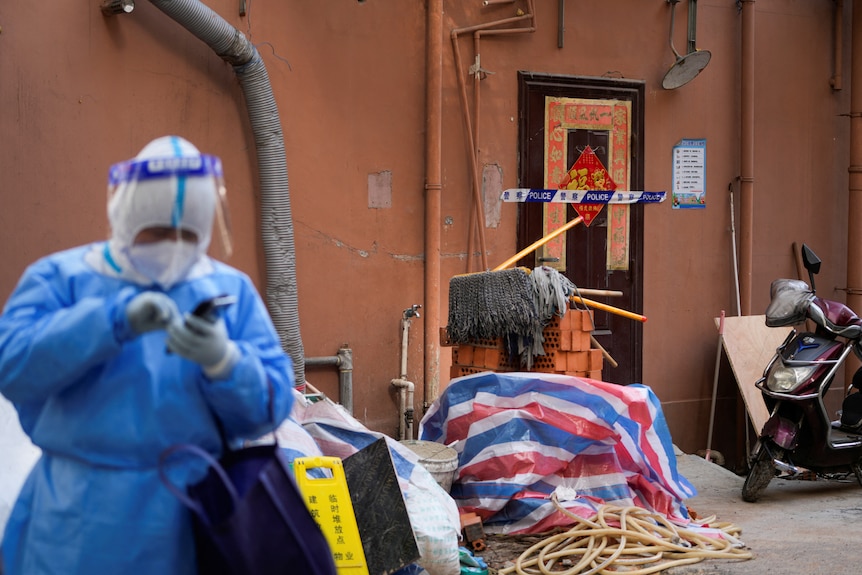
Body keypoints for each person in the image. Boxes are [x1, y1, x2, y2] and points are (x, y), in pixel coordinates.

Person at [0, 135, 295, 574]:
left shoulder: (229, 290)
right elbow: (13, 367)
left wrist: (225, 362)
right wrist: (108, 322)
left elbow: (270, 406)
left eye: (186, 236)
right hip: (75, 524)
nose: (172, 247)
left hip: (188, 520)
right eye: (157, 233)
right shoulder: (61, 279)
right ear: (126, 219)